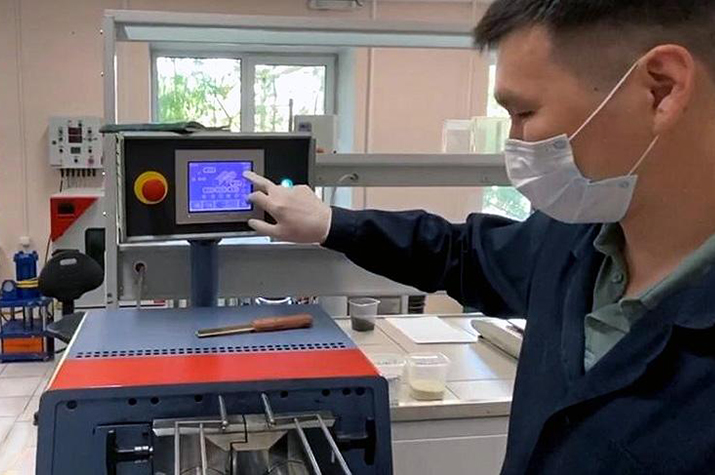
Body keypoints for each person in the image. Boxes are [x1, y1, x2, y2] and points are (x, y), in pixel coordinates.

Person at [244, 1, 715, 473]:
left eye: (525, 111)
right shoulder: (574, 240)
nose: (516, 143)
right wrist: (330, 223)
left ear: (661, 89)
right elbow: (459, 253)